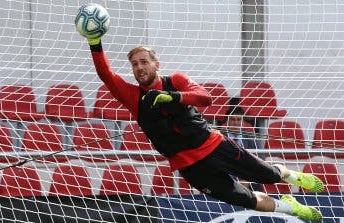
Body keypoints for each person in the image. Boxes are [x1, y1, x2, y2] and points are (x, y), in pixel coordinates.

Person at [85, 35, 324, 222]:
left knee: (267, 175)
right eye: (135, 64)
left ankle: (295, 176)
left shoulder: (176, 80)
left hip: (215, 146)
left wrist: (173, 97)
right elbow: (105, 74)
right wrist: (95, 42)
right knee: (245, 199)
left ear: (157, 64)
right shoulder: (132, 96)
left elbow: (205, 98)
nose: (139, 68)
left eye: (144, 62)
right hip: (190, 166)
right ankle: (290, 207)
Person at [223, 106, 264, 191]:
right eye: (232, 119)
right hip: (225, 173)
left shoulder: (251, 137)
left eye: (239, 119)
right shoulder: (219, 136)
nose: (236, 123)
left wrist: (247, 176)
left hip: (246, 173)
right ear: (227, 122)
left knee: (255, 182)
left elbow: (260, 159)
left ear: (243, 122)